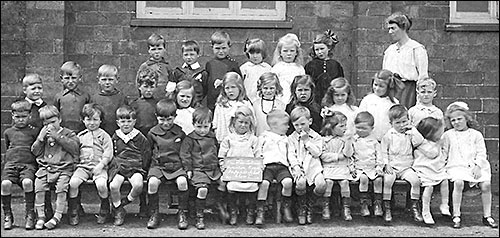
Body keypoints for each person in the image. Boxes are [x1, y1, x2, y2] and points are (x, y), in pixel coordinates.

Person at [442, 101, 498, 229]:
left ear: (466, 118)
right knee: (458, 182)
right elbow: (444, 153)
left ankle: (487, 215)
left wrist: (478, 166)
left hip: (474, 166)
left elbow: (481, 153)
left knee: (486, 184)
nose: (456, 122)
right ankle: (456, 215)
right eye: (453, 120)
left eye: (459, 119)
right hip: (455, 166)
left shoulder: (476, 135)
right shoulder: (448, 135)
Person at [31, 105, 80, 230]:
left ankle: (57, 216)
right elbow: (35, 151)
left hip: (63, 168)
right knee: (39, 187)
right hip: (46, 168)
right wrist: (40, 138)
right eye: (46, 123)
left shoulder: (68, 133)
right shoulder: (43, 135)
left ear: (60, 119)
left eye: (53, 122)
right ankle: (41, 216)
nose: (50, 126)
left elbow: (75, 149)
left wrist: (57, 136)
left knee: (61, 188)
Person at [179, 107, 227, 230]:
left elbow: (216, 152)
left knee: (223, 183)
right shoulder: (190, 139)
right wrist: (188, 169)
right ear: (193, 124)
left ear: (211, 125)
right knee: (202, 190)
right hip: (198, 170)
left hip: (213, 169)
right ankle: (199, 215)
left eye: (206, 127)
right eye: (199, 127)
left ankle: (218, 203)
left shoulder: (212, 137)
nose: (202, 130)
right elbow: (185, 155)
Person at [145, 99, 189, 230]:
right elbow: (148, 152)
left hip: (176, 166)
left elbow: (184, 152)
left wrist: (186, 168)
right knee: (152, 183)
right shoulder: (152, 133)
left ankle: (182, 213)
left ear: (175, 117)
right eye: (162, 119)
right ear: (156, 117)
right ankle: (154, 214)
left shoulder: (180, 132)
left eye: (169, 119)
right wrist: (148, 169)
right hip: (159, 166)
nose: (166, 123)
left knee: (182, 182)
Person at [68, 103, 113, 226]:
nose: (92, 123)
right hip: (83, 167)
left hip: (99, 166)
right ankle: (74, 209)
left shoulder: (104, 136)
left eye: (95, 119)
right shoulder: (80, 136)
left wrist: (101, 165)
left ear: (100, 120)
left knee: (101, 185)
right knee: (73, 183)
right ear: (83, 120)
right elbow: (75, 152)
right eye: (88, 119)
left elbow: (108, 152)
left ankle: (104, 207)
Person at [107, 105, 152, 226]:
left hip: (135, 166)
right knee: (113, 186)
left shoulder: (139, 137)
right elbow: (112, 153)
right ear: (117, 122)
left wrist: (143, 167)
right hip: (120, 167)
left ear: (134, 121)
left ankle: (126, 201)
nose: (126, 124)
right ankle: (118, 210)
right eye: (123, 121)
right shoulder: (115, 137)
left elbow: (146, 153)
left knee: (138, 184)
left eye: (129, 121)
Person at [380, 104, 424, 224]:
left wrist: (413, 129)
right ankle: (387, 207)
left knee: (415, 181)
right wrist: (386, 164)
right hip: (393, 166)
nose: (401, 125)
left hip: (406, 167)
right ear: (391, 123)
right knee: (388, 181)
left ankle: (414, 208)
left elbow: (419, 142)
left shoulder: (410, 133)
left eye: (404, 121)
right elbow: (383, 151)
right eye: (397, 123)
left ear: (409, 121)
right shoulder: (389, 135)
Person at [19, 73, 54, 219]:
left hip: (42, 148)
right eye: (33, 88)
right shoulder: (22, 107)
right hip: (27, 147)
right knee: (28, 178)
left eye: (40, 88)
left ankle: (46, 207)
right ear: (24, 90)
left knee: (42, 177)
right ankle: (30, 210)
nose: (37, 91)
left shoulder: (45, 107)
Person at [218, 105, 260, 226]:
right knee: (231, 186)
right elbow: (222, 156)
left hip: (249, 173)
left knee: (252, 186)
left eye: (246, 123)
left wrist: (257, 169)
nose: (243, 125)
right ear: (234, 122)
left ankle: (251, 211)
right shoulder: (228, 139)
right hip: (233, 172)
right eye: (240, 122)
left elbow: (258, 156)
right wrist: (224, 168)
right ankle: (233, 211)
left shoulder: (253, 139)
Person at [1, 100, 39, 230]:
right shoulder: (8, 132)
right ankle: (7, 215)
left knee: (28, 182)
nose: (21, 120)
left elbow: (36, 149)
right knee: (5, 184)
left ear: (29, 116)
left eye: (24, 117)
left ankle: (29, 214)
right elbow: (8, 147)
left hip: (27, 164)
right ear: (12, 116)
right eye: (17, 117)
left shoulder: (34, 132)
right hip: (11, 164)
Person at [255, 109, 296, 226]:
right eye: (285, 124)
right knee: (264, 184)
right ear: (274, 125)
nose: (288, 127)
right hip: (267, 166)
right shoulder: (263, 137)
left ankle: (285, 206)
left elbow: (291, 154)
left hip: (282, 167)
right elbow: (258, 152)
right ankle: (260, 211)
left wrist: (295, 166)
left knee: (288, 182)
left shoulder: (286, 139)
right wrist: (259, 164)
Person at [130, 67, 160, 217]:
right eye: (145, 86)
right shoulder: (134, 105)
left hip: (153, 142)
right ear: (139, 86)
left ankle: (152, 205)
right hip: (139, 144)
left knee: (151, 172)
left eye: (151, 86)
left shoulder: (158, 104)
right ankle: (142, 203)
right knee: (140, 172)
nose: (148, 90)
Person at [288, 106, 326, 225]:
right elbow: (291, 155)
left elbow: (317, 153)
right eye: (296, 125)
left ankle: (310, 204)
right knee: (300, 183)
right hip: (299, 167)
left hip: (313, 167)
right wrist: (296, 168)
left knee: (321, 185)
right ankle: (302, 207)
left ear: (310, 121)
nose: (300, 128)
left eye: (303, 124)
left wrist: (306, 141)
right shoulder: (291, 138)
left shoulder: (316, 137)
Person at [383, 12, 429, 109]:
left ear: (403, 28)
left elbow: (423, 77)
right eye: (389, 29)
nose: (390, 32)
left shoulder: (416, 49)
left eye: (393, 28)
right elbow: (384, 74)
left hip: (408, 92)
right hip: (391, 91)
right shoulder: (389, 50)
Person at [413, 117, 450, 225]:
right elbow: (432, 154)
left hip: (435, 169)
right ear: (430, 133)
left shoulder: (436, 142)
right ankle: (426, 211)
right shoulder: (423, 144)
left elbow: (442, 156)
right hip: (424, 169)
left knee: (445, 181)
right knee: (428, 187)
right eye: (439, 132)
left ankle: (444, 204)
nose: (441, 135)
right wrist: (439, 144)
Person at [319, 111, 354, 221]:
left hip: (342, 167)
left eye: (345, 126)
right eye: (341, 126)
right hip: (329, 167)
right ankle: (326, 207)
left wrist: (348, 141)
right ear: (331, 127)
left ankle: (346, 208)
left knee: (344, 182)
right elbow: (323, 155)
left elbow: (348, 154)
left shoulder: (345, 139)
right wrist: (338, 156)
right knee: (328, 182)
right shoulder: (324, 140)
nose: (344, 128)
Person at [352, 111, 384, 218]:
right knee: (364, 179)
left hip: (372, 168)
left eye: (364, 128)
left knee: (378, 180)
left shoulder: (374, 142)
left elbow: (379, 156)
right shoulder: (354, 140)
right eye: (358, 128)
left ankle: (377, 204)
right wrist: (351, 168)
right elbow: (350, 156)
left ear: (372, 128)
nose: (360, 131)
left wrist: (379, 167)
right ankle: (364, 204)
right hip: (359, 169)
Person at [358, 69, 404, 141]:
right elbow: (360, 118)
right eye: (375, 85)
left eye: (381, 86)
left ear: (389, 87)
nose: (377, 88)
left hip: (387, 139)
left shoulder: (393, 103)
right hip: (369, 138)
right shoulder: (367, 100)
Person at [203, 31, 242, 112]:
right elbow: (206, 85)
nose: (221, 51)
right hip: (212, 102)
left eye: (223, 48)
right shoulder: (209, 64)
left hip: (228, 103)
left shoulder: (233, 64)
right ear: (212, 47)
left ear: (229, 47)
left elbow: (239, 84)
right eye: (217, 48)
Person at [305, 30, 345, 105]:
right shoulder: (310, 65)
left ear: (329, 48)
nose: (319, 52)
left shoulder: (336, 65)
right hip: (315, 99)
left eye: (322, 49)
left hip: (331, 99)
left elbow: (340, 82)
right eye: (317, 49)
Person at [212, 72, 254, 143]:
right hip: (224, 141)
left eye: (233, 87)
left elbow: (252, 124)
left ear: (240, 88)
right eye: (227, 88)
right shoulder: (221, 105)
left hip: (243, 141)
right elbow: (215, 123)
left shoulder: (245, 104)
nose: (230, 90)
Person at [53, 61, 92, 134]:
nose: (70, 81)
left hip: (82, 131)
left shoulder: (85, 96)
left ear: (80, 78)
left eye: (74, 78)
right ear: (61, 79)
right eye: (67, 78)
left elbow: (89, 114)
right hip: (64, 132)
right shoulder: (58, 97)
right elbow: (55, 115)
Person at [92, 64, 128, 137]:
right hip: (99, 134)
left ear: (117, 80)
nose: (107, 82)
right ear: (98, 80)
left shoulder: (121, 97)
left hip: (118, 134)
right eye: (104, 79)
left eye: (110, 79)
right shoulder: (94, 98)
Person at [137, 33, 174, 99]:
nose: (157, 52)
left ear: (164, 49)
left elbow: (172, 81)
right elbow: (138, 83)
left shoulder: (167, 66)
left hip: (164, 98)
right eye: (153, 49)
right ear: (149, 50)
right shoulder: (145, 66)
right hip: (149, 97)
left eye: (159, 49)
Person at [271, 33, 305, 105]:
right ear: (280, 52)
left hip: (295, 98)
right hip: (280, 97)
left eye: (292, 51)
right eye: (285, 51)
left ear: (296, 52)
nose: (289, 54)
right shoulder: (277, 68)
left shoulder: (299, 68)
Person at [171, 40, 207, 107]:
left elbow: (205, 90)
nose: (189, 57)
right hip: (180, 105)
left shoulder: (202, 72)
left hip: (197, 105)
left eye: (192, 54)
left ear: (198, 54)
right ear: (182, 55)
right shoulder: (178, 71)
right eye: (186, 55)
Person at [252, 72, 286, 136]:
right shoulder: (256, 105)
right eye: (265, 88)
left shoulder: (280, 105)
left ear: (276, 88)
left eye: (271, 88)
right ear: (260, 88)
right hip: (259, 136)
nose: (268, 91)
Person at [240, 38, 272, 104]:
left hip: (263, 99)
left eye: (258, 53)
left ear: (263, 53)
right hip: (247, 100)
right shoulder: (245, 68)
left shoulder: (267, 68)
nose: (255, 56)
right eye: (252, 53)